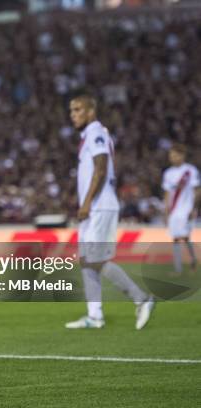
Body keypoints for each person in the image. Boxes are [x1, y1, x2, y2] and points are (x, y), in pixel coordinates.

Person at [65, 95, 155, 330]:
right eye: (71, 110)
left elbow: (101, 169)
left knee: (94, 259)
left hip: (99, 205)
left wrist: (85, 203)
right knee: (86, 261)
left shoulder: (96, 133)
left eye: (77, 109)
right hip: (94, 206)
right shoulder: (89, 135)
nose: (73, 114)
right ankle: (95, 316)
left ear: (91, 110)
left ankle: (141, 299)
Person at [162, 144, 200, 275]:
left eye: (175, 155)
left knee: (184, 236)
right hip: (173, 210)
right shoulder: (168, 173)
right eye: (171, 156)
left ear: (182, 155)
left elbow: (197, 190)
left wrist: (194, 208)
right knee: (175, 238)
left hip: (186, 208)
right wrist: (166, 211)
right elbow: (167, 193)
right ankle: (178, 269)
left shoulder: (190, 171)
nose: (172, 158)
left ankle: (193, 261)